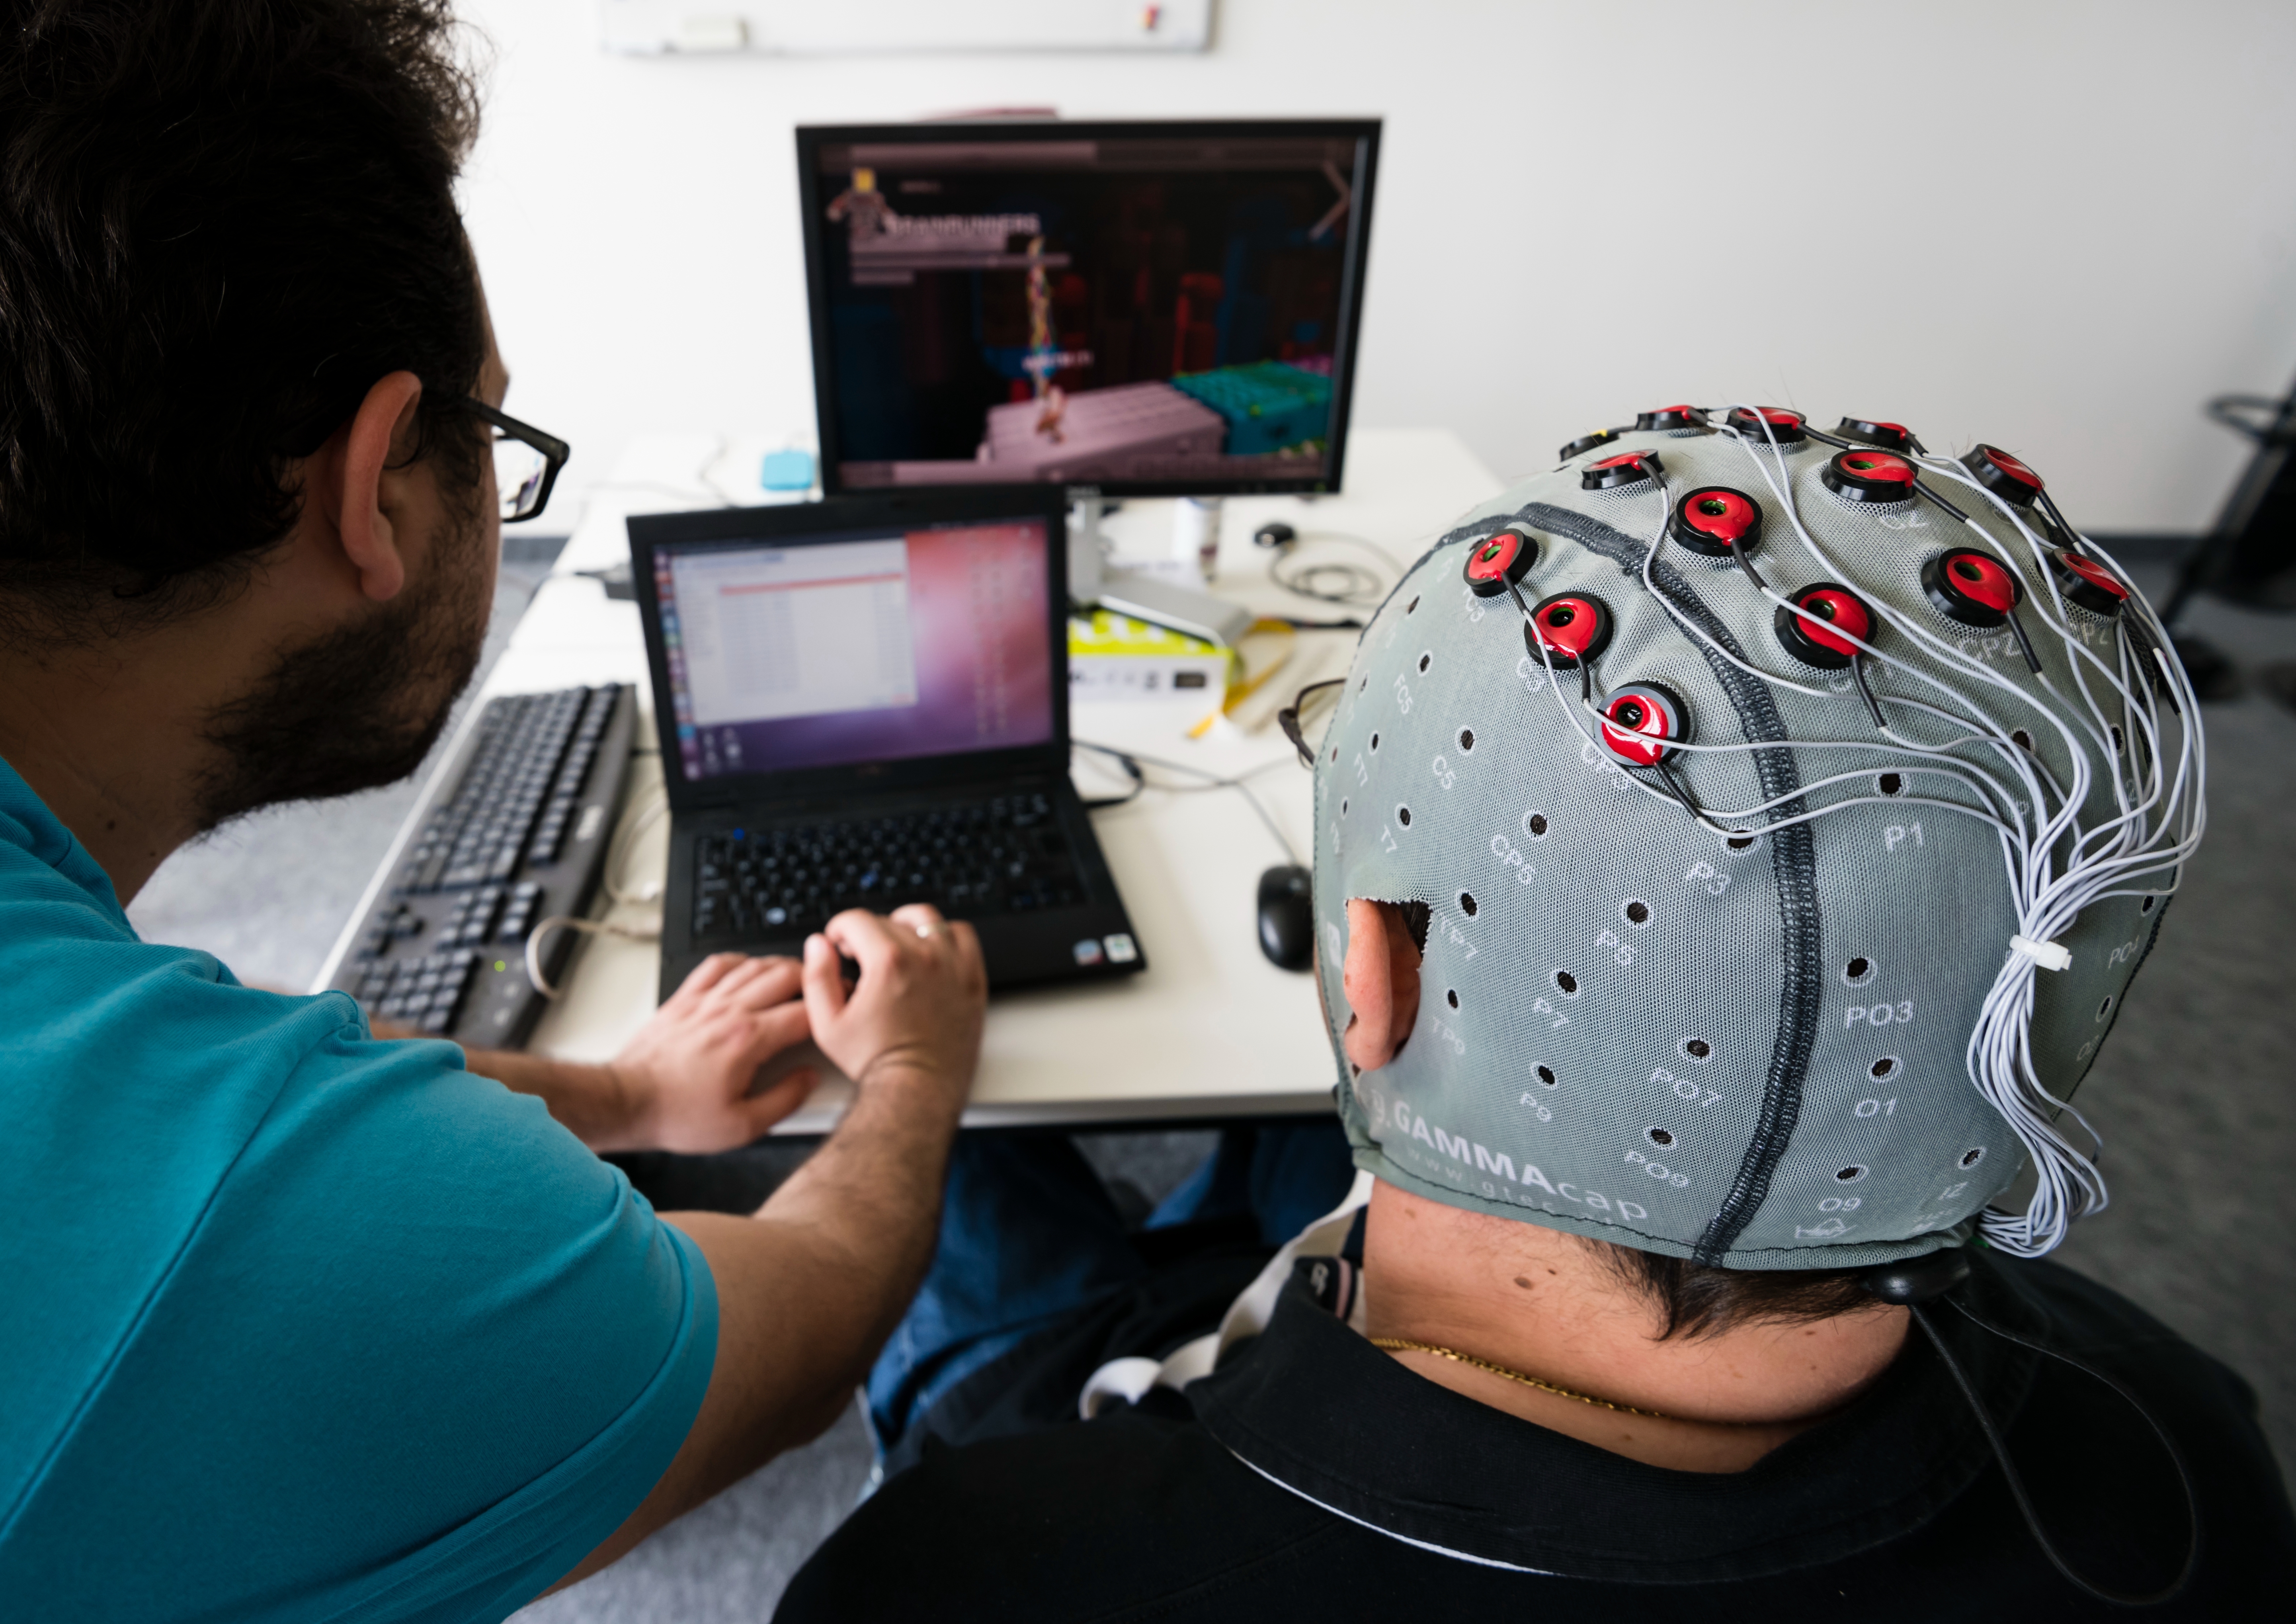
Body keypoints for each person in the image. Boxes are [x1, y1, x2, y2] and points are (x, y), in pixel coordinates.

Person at [779, 411, 2295, 1618]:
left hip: (1102, 1409)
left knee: (976, 1152)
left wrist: (910, 1078)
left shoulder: (955, 1575)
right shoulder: (2191, 1456)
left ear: (1363, 980)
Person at [0, 5, 985, 1618]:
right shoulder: (297, 1226)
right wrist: (915, 1075)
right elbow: (795, 1329)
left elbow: (192, 1092)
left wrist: (622, 1091)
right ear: (380, 481)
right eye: (495, 436)